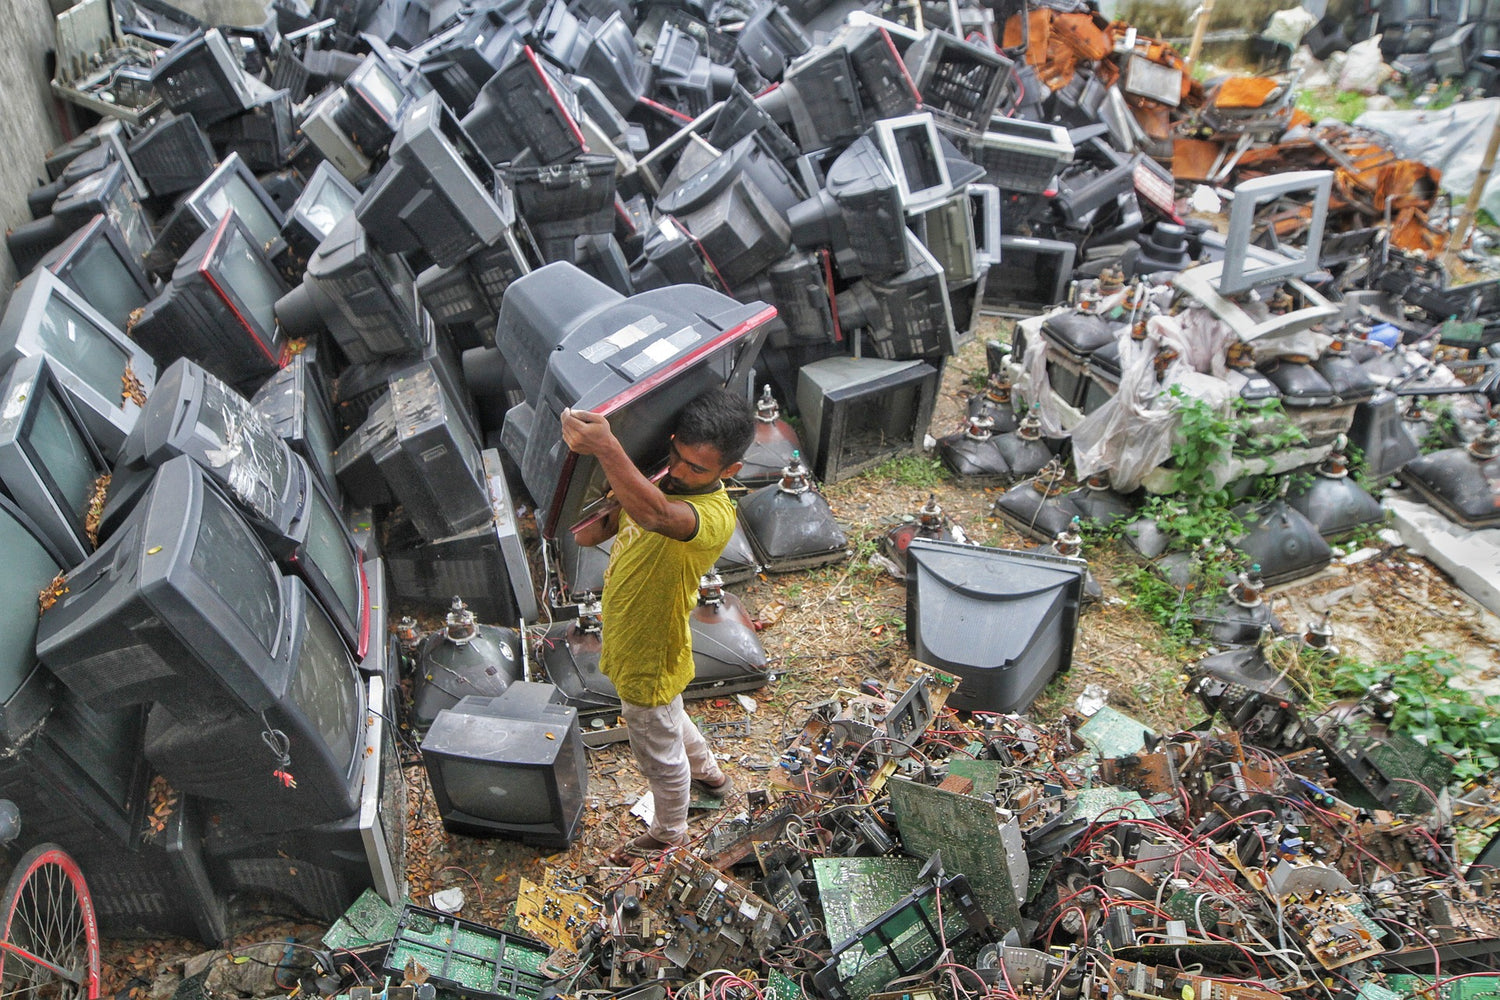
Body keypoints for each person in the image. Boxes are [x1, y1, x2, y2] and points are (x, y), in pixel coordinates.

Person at [560, 387, 756, 862]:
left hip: (649, 646)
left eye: (697, 468)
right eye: (677, 456)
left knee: (656, 747)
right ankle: (711, 776)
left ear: (729, 472)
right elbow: (589, 533)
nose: (682, 471)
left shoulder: (711, 514)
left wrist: (608, 448)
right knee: (669, 717)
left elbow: (654, 514)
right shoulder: (660, 478)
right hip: (634, 635)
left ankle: (671, 831)